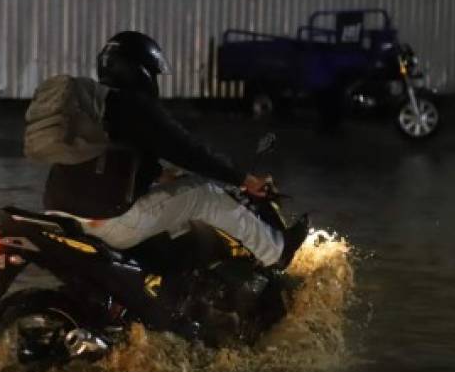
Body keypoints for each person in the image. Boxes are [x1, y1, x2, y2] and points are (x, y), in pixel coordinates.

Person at [42, 31, 307, 268]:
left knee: (172, 199)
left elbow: (107, 156)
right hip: (107, 219)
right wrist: (245, 180)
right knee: (204, 193)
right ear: (141, 70)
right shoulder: (135, 105)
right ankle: (276, 252)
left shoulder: (92, 105)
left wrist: (158, 175)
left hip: (59, 212)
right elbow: (188, 150)